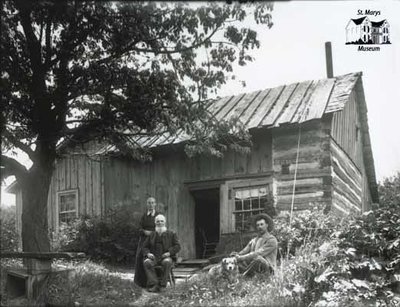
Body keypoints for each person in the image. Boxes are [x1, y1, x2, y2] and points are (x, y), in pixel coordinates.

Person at [142, 214, 181, 292]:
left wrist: (169, 253)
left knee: (167, 262)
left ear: (165, 222)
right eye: (158, 221)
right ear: (155, 223)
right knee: (147, 262)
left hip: (166, 257)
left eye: (161, 221)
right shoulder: (152, 235)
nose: (160, 223)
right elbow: (144, 247)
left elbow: (178, 246)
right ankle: (155, 284)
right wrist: (148, 254)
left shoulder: (171, 233)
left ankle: (163, 285)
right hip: (154, 258)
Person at [134, 197, 160, 288]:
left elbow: (160, 228)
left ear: (155, 204)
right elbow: (139, 228)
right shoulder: (144, 216)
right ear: (147, 204)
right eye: (149, 203)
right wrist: (144, 232)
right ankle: (140, 283)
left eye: (152, 203)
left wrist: (152, 233)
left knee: (150, 258)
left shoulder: (158, 216)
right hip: (143, 240)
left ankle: (153, 282)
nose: (151, 205)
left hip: (153, 240)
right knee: (139, 257)